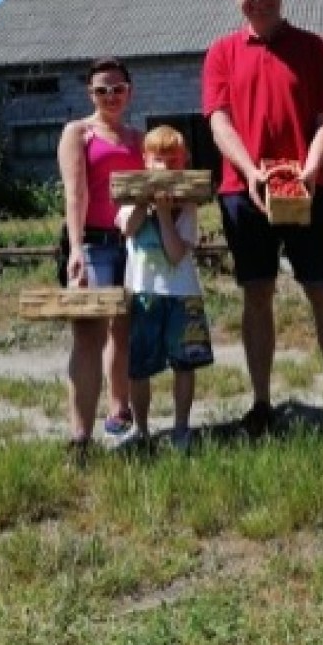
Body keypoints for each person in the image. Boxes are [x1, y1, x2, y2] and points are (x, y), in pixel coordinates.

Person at [202, 0, 323, 435]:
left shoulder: (312, 47)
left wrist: (311, 168)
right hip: (243, 191)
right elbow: (218, 120)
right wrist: (251, 171)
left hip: (307, 189)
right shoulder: (222, 52)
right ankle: (262, 402)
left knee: (322, 289)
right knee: (257, 293)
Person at [56, 57, 144, 451]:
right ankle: (80, 435)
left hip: (133, 243)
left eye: (118, 89)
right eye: (101, 90)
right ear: (90, 94)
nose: (111, 96)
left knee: (123, 331)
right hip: (91, 242)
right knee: (88, 334)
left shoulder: (139, 138)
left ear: (130, 92)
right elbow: (75, 193)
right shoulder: (79, 133)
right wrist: (75, 248)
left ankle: (119, 409)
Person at [115, 125, 214, 451]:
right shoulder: (129, 198)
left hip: (182, 293)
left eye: (173, 161)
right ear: (146, 161)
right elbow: (128, 228)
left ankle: (181, 427)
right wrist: (147, 203)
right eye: (159, 159)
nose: (166, 167)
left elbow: (175, 255)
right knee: (139, 367)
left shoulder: (187, 205)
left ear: (183, 163)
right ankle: (141, 430)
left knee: (185, 365)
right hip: (144, 293)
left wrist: (166, 214)